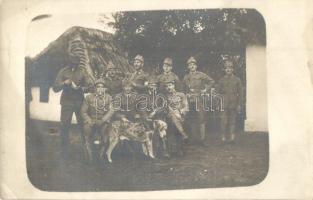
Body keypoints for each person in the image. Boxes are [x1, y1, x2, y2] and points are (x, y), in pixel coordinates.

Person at [53, 53, 93, 160]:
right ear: (69, 62)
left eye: (76, 62)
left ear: (79, 62)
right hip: (67, 102)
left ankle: (86, 149)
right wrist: (64, 83)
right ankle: (64, 151)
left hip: (79, 102)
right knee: (65, 126)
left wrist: (82, 88)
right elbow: (55, 88)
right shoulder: (63, 71)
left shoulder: (82, 72)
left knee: (83, 125)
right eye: (72, 62)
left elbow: (90, 86)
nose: (74, 64)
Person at [80, 79, 115, 163]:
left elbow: (111, 111)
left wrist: (103, 120)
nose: (100, 89)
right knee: (87, 133)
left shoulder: (109, 97)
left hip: (103, 120)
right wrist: (89, 120)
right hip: (91, 120)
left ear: (105, 89)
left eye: (102, 87)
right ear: (95, 88)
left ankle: (101, 155)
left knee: (105, 135)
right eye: (98, 87)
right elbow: (83, 111)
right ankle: (89, 156)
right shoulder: (89, 97)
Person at [183, 56, 215, 146]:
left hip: (199, 99)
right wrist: (186, 95)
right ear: (188, 67)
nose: (192, 66)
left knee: (201, 118)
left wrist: (205, 90)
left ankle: (202, 140)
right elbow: (183, 89)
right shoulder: (186, 77)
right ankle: (194, 139)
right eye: (190, 65)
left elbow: (211, 81)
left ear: (196, 66)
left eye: (193, 64)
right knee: (192, 119)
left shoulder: (201, 75)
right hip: (190, 100)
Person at [216, 60, 243, 143]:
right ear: (224, 69)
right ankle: (223, 137)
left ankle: (232, 137)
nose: (228, 69)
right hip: (223, 103)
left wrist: (239, 104)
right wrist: (218, 104)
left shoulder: (237, 80)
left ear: (233, 69)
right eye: (226, 68)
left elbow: (241, 93)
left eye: (230, 68)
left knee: (232, 120)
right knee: (223, 121)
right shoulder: (221, 80)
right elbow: (217, 93)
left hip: (233, 103)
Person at [164, 78, 189, 156]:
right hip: (169, 116)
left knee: (174, 123)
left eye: (170, 85)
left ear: (173, 85)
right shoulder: (165, 96)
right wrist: (175, 113)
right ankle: (183, 134)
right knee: (172, 119)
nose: (169, 87)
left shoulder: (181, 94)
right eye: (167, 86)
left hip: (180, 116)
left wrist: (181, 111)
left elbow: (186, 106)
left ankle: (178, 149)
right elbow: (167, 107)